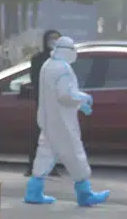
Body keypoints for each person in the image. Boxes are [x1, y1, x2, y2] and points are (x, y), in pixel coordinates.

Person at [25, 36, 110, 207]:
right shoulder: (63, 69)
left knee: (45, 154)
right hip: (63, 122)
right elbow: (65, 95)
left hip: (48, 119)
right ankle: (85, 193)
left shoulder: (47, 65)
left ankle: (33, 191)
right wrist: (83, 98)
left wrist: (78, 103)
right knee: (75, 154)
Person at [24, 30, 62, 177]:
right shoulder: (38, 59)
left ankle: (51, 166)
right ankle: (32, 165)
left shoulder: (62, 59)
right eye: (51, 39)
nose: (53, 41)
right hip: (44, 102)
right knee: (38, 135)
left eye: (57, 39)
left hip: (58, 102)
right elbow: (35, 80)